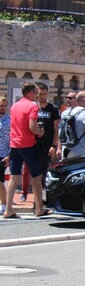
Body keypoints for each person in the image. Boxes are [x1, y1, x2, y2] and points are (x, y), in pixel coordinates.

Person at [3, 82, 50, 219]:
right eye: (35, 93)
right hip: (28, 145)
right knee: (36, 176)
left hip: (14, 145)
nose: (37, 96)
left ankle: (8, 209)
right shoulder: (32, 106)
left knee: (14, 176)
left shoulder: (14, 106)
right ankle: (39, 208)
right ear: (30, 93)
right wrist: (40, 131)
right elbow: (32, 127)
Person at [22, 83, 60, 202]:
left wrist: (54, 145)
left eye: (44, 94)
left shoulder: (53, 109)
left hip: (46, 146)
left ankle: (42, 200)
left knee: (43, 173)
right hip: (32, 145)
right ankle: (31, 196)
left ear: (48, 94)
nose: (42, 96)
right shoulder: (33, 107)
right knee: (31, 172)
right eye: (39, 94)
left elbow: (56, 129)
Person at [58, 91, 78, 159]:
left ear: (77, 99)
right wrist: (59, 148)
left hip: (78, 147)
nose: (68, 100)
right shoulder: (64, 113)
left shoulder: (82, 113)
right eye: (67, 98)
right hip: (66, 145)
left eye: (70, 98)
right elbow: (61, 131)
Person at [0, 97, 10, 215]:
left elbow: (13, 138)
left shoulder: (9, 120)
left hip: (3, 154)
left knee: (0, 179)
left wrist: (9, 155)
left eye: (4, 105)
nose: (2, 107)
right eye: (1, 105)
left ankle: (4, 204)